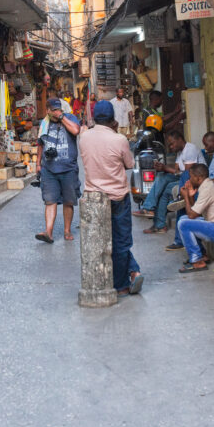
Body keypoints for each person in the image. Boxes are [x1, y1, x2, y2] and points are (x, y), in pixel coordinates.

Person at [79, 100, 143, 296]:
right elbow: (129, 163)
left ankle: (132, 271)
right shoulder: (119, 139)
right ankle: (123, 283)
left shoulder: (84, 137)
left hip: (94, 198)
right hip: (117, 197)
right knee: (121, 240)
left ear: (94, 118)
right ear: (113, 120)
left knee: (99, 241)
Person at [133, 129, 205, 239]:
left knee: (165, 186)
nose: (170, 147)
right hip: (184, 178)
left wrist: (166, 168)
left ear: (180, 139)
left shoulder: (190, 149)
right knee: (162, 176)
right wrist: (163, 168)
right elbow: (176, 171)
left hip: (195, 181)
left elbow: (188, 174)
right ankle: (154, 217)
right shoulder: (180, 152)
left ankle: (152, 214)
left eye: (172, 144)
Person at [35, 98, 81, 244]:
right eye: (52, 110)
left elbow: (75, 130)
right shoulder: (45, 123)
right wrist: (38, 164)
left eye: (58, 109)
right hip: (49, 169)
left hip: (68, 168)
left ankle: (67, 230)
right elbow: (40, 145)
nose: (55, 112)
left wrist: (61, 117)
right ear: (47, 111)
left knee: (68, 201)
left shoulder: (70, 118)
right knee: (50, 201)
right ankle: (48, 232)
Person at [176, 163, 214, 273]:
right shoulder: (206, 186)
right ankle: (202, 255)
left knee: (183, 224)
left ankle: (197, 261)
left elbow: (192, 215)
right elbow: (196, 214)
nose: (189, 179)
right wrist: (190, 196)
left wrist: (185, 196)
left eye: (191, 177)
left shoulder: (208, 189)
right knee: (183, 219)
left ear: (198, 178)